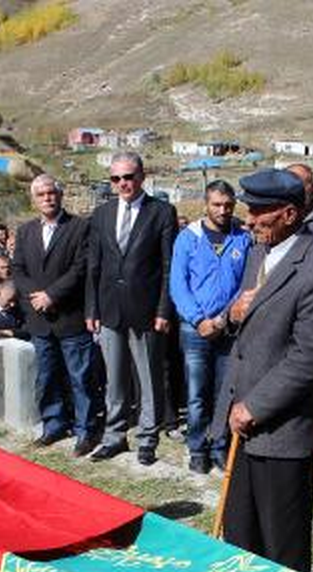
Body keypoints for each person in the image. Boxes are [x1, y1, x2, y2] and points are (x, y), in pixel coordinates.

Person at [212, 169, 313, 572]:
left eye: (257, 211)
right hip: (240, 420)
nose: (248, 220)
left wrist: (256, 406)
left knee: (281, 540)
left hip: (280, 428)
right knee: (241, 533)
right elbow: (245, 314)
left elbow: (309, 356)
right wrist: (231, 316)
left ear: (288, 213)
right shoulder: (258, 252)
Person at [86, 153, 177, 464]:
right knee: (115, 378)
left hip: (146, 311)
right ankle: (114, 436)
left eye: (128, 177)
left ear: (142, 176)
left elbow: (168, 267)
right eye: (116, 178)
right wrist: (91, 309)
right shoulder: (101, 214)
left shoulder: (162, 212)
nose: (123, 183)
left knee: (148, 377)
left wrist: (164, 310)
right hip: (110, 310)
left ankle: (147, 438)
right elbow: (94, 267)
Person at [12, 174, 100, 453]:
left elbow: (81, 267)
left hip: (70, 317)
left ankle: (85, 431)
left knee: (80, 379)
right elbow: (18, 269)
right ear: (34, 200)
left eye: (51, 192)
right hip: (39, 321)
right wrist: (37, 297)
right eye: (41, 194)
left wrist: (52, 295)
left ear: (60, 195)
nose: (47, 198)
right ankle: (54, 425)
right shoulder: (25, 231)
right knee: (46, 377)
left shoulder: (80, 227)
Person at [169, 179, 250, 473]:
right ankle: (197, 448)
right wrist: (199, 320)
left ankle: (219, 445)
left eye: (228, 205)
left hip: (230, 329)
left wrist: (224, 318)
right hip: (195, 329)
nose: (223, 210)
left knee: (224, 392)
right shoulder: (187, 237)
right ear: (206, 204)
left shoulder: (243, 237)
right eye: (217, 204)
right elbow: (178, 285)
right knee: (196, 394)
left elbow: (246, 284)